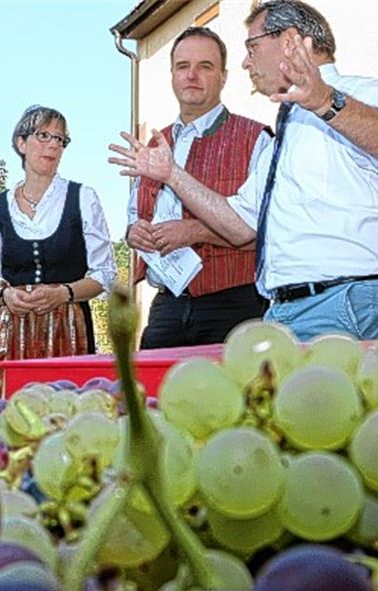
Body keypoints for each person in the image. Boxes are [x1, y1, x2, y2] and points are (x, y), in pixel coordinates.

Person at [109, 0, 378, 342]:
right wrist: (172, 174)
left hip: (344, 304)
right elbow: (239, 225)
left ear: (289, 42)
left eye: (252, 47)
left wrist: (323, 99)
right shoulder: (285, 136)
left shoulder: (364, 94)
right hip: (290, 311)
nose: (247, 61)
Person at [128, 27, 273, 350]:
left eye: (205, 66)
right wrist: (134, 232)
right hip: (166, 306)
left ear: (223, 76)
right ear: (171, 76)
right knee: (152, 398)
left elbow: (266, 231)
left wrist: (195, 231)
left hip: (236, 306)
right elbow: (136, 216)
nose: (192, 75)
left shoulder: (257, 140)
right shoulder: (154, 143)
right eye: (183, 66)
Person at [0, 105, 117, 403]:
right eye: (44, 135)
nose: (53, 144)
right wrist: (5, 297)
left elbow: (104, 274)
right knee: (14, 420)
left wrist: (63, 293)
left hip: (70, 329)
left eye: (60, 139)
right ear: (21, 143)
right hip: (14, 331)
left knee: (68, 414)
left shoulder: (83, 199)